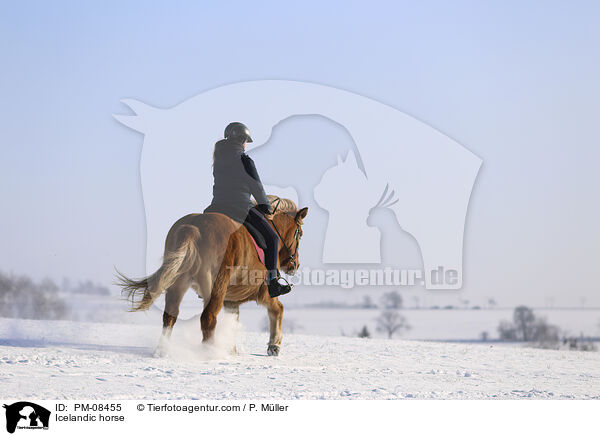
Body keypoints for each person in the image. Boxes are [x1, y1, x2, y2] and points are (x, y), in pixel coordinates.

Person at [204, 122, 292, 298]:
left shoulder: (219, 158)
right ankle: (273, 283)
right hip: (240, 207)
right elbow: (256, 185)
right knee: (273, 238)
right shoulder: (244, 159)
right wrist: (265, 205)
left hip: (216, 206)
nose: (246, 145)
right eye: (246, 141)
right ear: (242, 140)